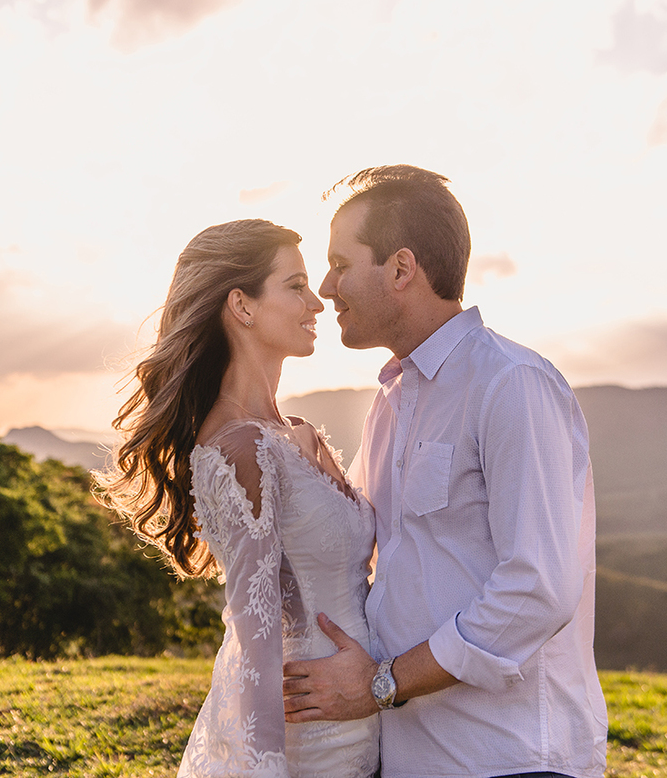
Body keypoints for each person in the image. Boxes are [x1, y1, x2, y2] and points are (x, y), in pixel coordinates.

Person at [281, 166, 608, 778]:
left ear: (401, 269)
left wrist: (381, 684)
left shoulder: (511, 384)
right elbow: (380, 553)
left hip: (506, 758)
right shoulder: (390, 402)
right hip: (407, 757)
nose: (326, 287)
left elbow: (537, 589)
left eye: (341, 264)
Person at [96, 219, 380, 778]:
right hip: (310, 739)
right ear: (242, 305)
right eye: (295, 286)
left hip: (362, 719)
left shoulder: (297, 434)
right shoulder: (240, 449)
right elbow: (256, 637)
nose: (316, 303)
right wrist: (264, 766)